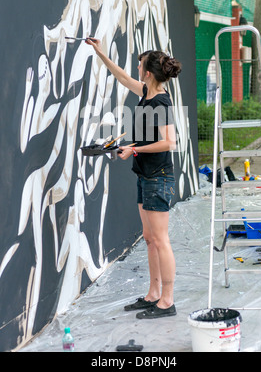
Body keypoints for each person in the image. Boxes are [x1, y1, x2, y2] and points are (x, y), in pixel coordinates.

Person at [85, 38, 181, 319]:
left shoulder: (161, 100)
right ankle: (153, 294)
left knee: (161, 240)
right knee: (149, 239)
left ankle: (167, 300)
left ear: (148, 72)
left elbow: (168, 142)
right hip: (145, 174)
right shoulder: (145, 93)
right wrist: (101, 52)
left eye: (140, 65)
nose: (136, 69)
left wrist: (134, 149)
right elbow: (123, 77)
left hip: (158, 176)